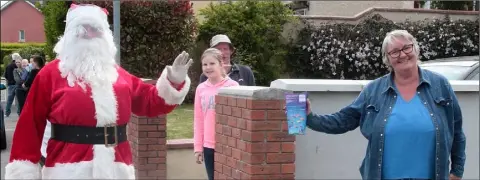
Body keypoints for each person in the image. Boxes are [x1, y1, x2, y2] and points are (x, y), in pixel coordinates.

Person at [5, 3, 193, 179]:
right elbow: (29, 125)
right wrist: (24, 171)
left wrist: (174, 81)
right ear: (69, 36)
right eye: (82, 30)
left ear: (105, 36)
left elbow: (151, 102)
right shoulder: (50, 74)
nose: (89, 34)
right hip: (67, 169)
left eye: (95, 29)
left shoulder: (118, 75)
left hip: (116, 168)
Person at [304, 30, 465, 180]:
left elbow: (456, 130)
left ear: (416, 49)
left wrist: (457, 171)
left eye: (407, 48)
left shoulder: (440, 85)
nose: (402, 55)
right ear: (387, 59)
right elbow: (342, 120)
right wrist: (310, 117)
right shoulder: (374, 91)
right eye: (394, 52)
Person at [194, 48, 239, 180]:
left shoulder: (233, 86)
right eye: (205, 64)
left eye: (212, 63)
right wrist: (198, 147)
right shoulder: (200, 89)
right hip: (208, 146)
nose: (208, 67)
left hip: (228, 144)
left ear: (221, 64)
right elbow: (198, 119)